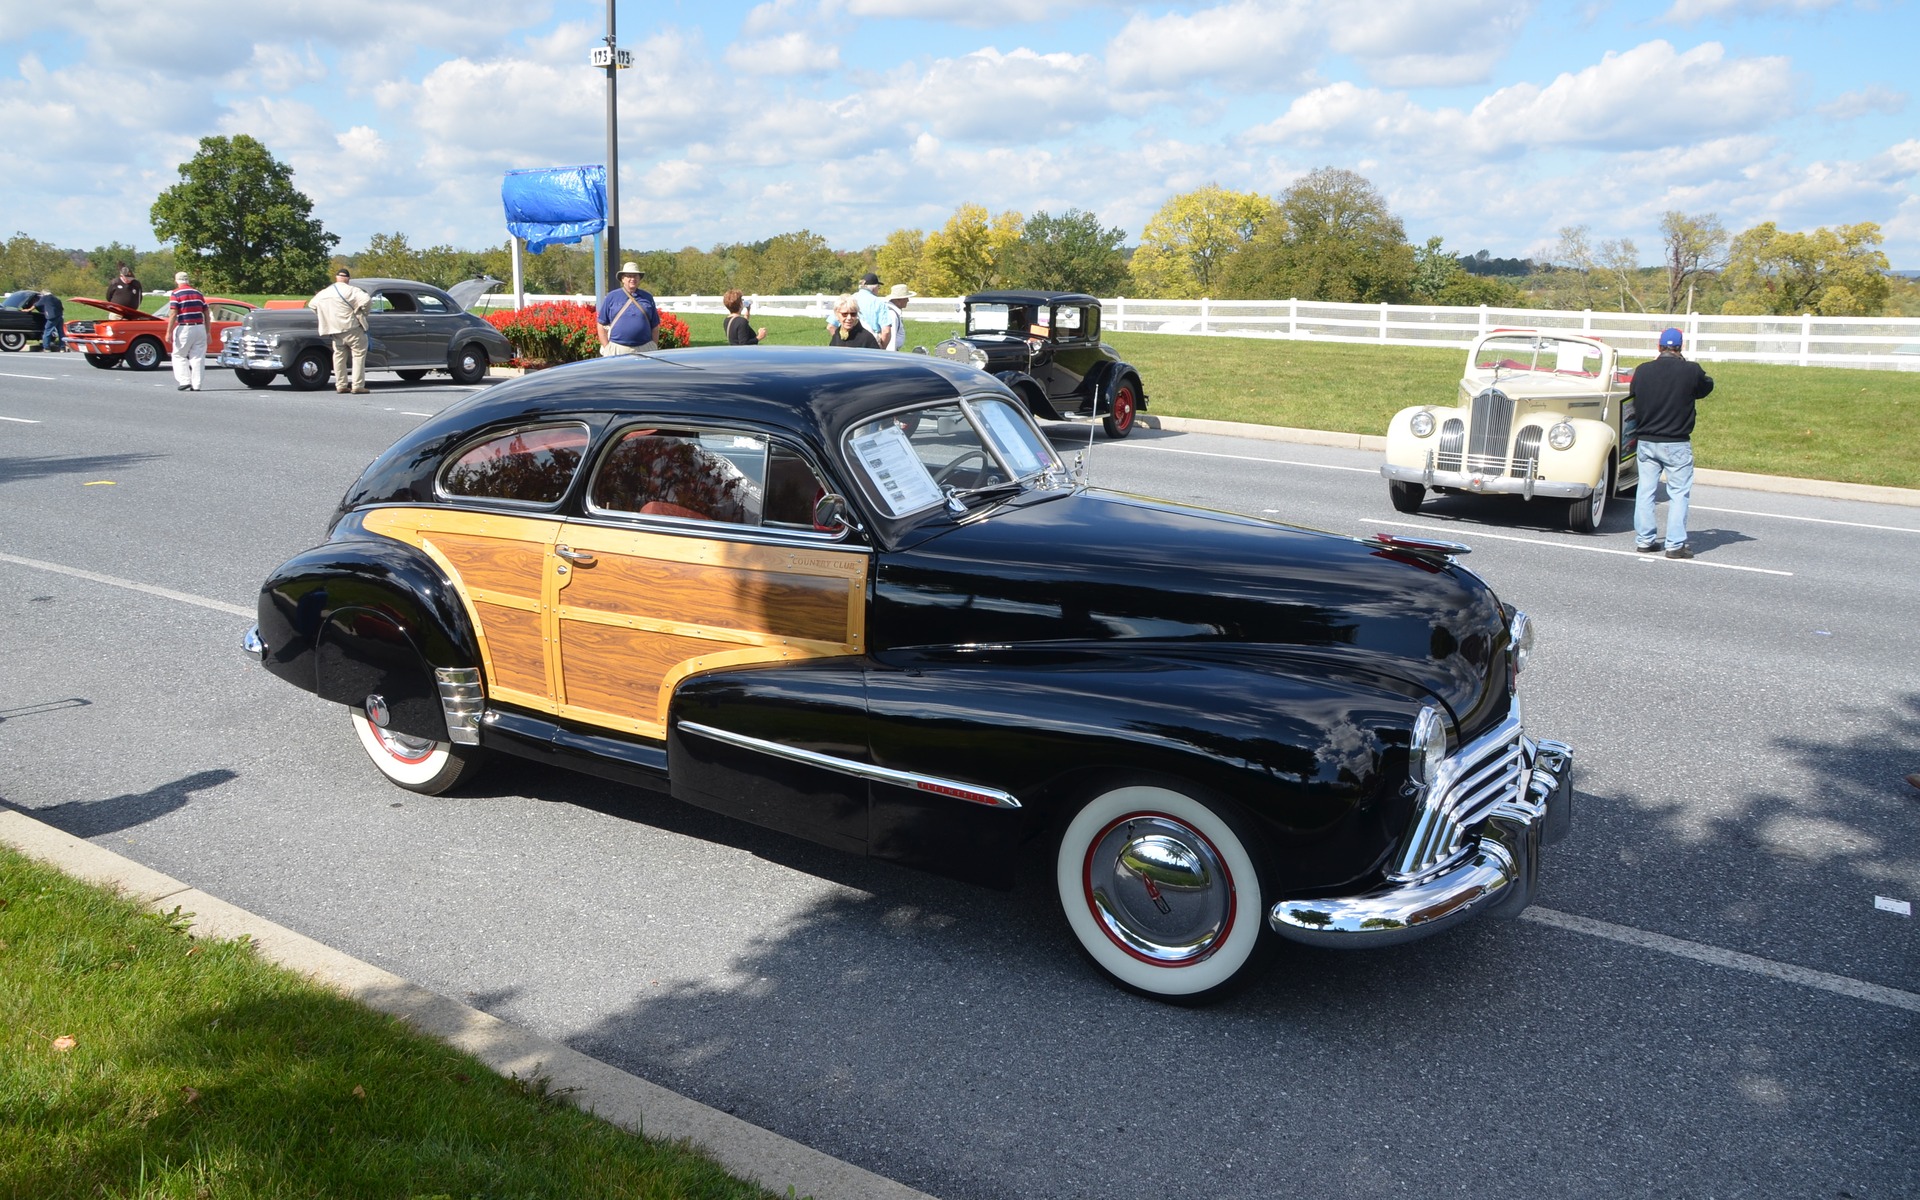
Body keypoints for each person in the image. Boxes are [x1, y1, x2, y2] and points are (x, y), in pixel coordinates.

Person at [1630, 327, 1715, 559]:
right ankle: (1675, 545)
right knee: (1678, 493)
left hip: (1646, 440)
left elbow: (1633, 393)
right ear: (1680, 348)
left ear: (1659, 347)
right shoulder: (1691, 370)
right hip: (1676, 442)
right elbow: (1706, 387)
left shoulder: (1643, 370)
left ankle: (1645, 541)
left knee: (1645, 492)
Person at [309, 267, 371, 394]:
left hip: (335, 329)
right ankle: (357, 385)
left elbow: (312, 305)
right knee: (358, 355)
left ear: (336, 278)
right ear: (348, 279)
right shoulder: (352, 290)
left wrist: (325, 315)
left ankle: (341, 385)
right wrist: (362, 311)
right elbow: (366, 300)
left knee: (339, 356)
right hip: (352, 327)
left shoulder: (324, 292)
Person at [597, 261, 659, 354]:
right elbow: (601, 324)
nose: (632, 279)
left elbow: (655, 326)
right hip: (617, 348)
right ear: (623, 279)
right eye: (629, 276)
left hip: (645, 348)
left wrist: (653, 346)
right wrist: (607, 348)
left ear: (639, 279)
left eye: (635, 276)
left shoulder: (647, 297)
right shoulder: (612, 297)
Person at [164, 271, 209, 391]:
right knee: (198, 357)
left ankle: (184, 380)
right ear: (188, 281)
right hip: (200, 327)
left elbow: (173, 313)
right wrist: (208, 331)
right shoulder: (198, 293)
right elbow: (206, 313)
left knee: (179, 354)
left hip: (185, 326)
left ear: (177, 281)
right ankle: (197, 384)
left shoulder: (176, 293)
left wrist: (168, 331)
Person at [879, 283, 914, 351]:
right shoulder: (892, 314)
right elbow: (891, 340)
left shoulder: (891, 312)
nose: (908, 300)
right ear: (898, 300)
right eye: (906, 298)